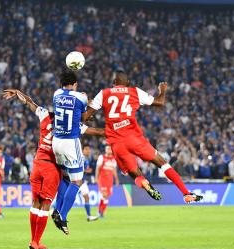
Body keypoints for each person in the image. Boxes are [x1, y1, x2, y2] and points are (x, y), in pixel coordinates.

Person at [82, 70, 202, 203]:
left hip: (117, 143)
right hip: (134, 138)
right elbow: (160, 102)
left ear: (113, 83)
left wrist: (86, 106)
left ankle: (145, 183)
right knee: (162, 163)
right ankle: (186, 193)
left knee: (135, 173)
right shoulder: (134, 91)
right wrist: (162, 90)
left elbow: (84, 117)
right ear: (127, 83)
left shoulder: (103, 93)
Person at [2, 89, 62, 249]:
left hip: (37, 164)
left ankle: (34, 241)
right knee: (45, 205)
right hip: (51, 167)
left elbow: (28, 102)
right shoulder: (68, 124)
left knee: (36, 202)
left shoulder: (44, 115)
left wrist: (18, 92)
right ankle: (35, 242)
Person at [51, 70, 90, 232]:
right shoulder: (80, 97)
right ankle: (63, 216)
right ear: (75, 83)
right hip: (70, 143)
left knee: (65, 177)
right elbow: (84, 118)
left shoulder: (56, 94)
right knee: (77, 181)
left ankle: (56, 211)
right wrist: (86, 98)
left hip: (56, 142)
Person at [95, 145, 120, 218]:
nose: (109, 150)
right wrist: (96, 177)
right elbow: (98, 168)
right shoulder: (101, 157)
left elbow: (114, 170)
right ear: (105, 150)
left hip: (110, 180)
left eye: (110, 149)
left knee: (107, 197)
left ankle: (100, 211)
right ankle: (101, 212)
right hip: (102, 179)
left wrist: (116, 179)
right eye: (108, 149)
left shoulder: (113, 159)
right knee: (104, 195)